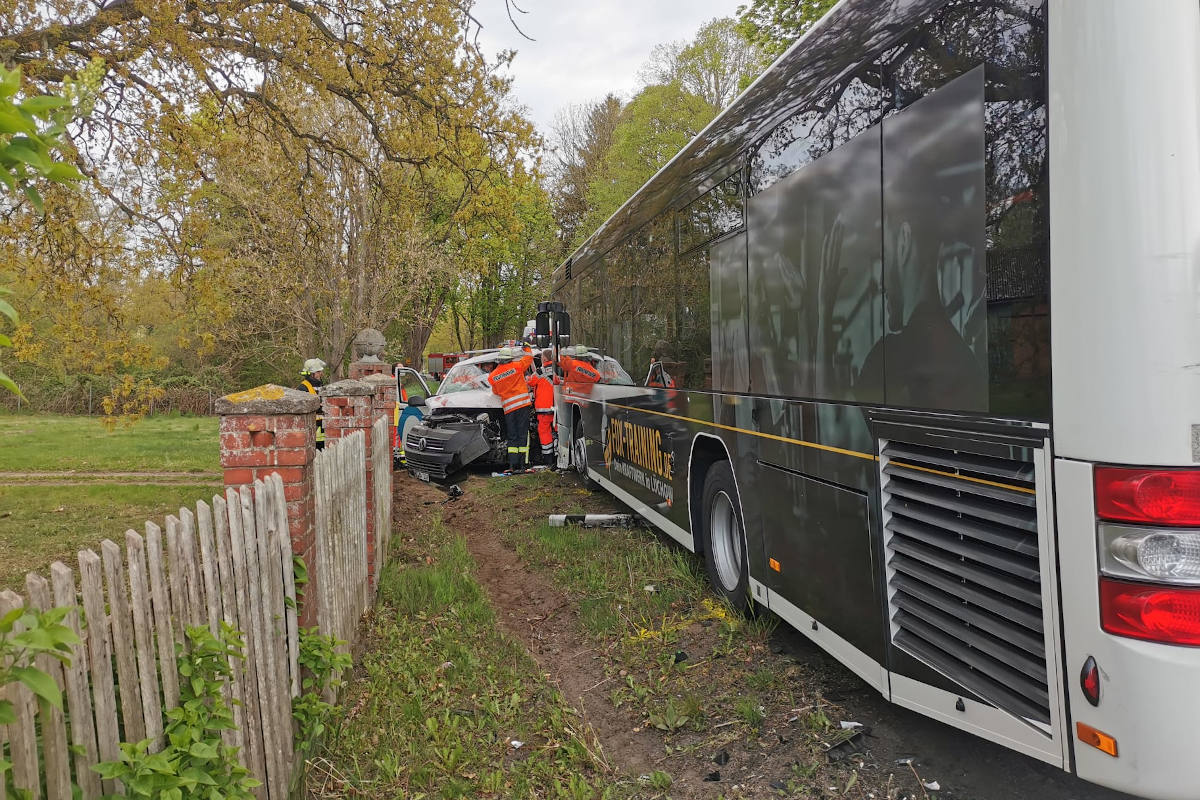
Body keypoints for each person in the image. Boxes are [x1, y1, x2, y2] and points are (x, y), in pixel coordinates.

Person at [487, 347, 534, 472]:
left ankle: (513, 465)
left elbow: (496, 392)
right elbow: (529, 358)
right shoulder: (517, 366)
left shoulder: (493, 376)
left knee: (512, 435)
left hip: (509, 409)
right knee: (523, 434)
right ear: (510, 359)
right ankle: (523, 464)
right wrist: (527, 347)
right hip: (522, 406)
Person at [527, 365, 555, 466]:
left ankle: (548, 459)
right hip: (560, 407)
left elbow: (530, 382)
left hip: (544, 409)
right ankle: (558, 456)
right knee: (558, 431)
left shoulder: (540, 371)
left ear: (544, 359)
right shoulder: (561, 367)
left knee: (544, 433)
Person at [298, 358, 327, 450]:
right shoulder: (303, 388)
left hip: (323, 432)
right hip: (312, 432)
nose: (320, 374)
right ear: (311, 373)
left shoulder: (320, 386)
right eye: (318, 372)